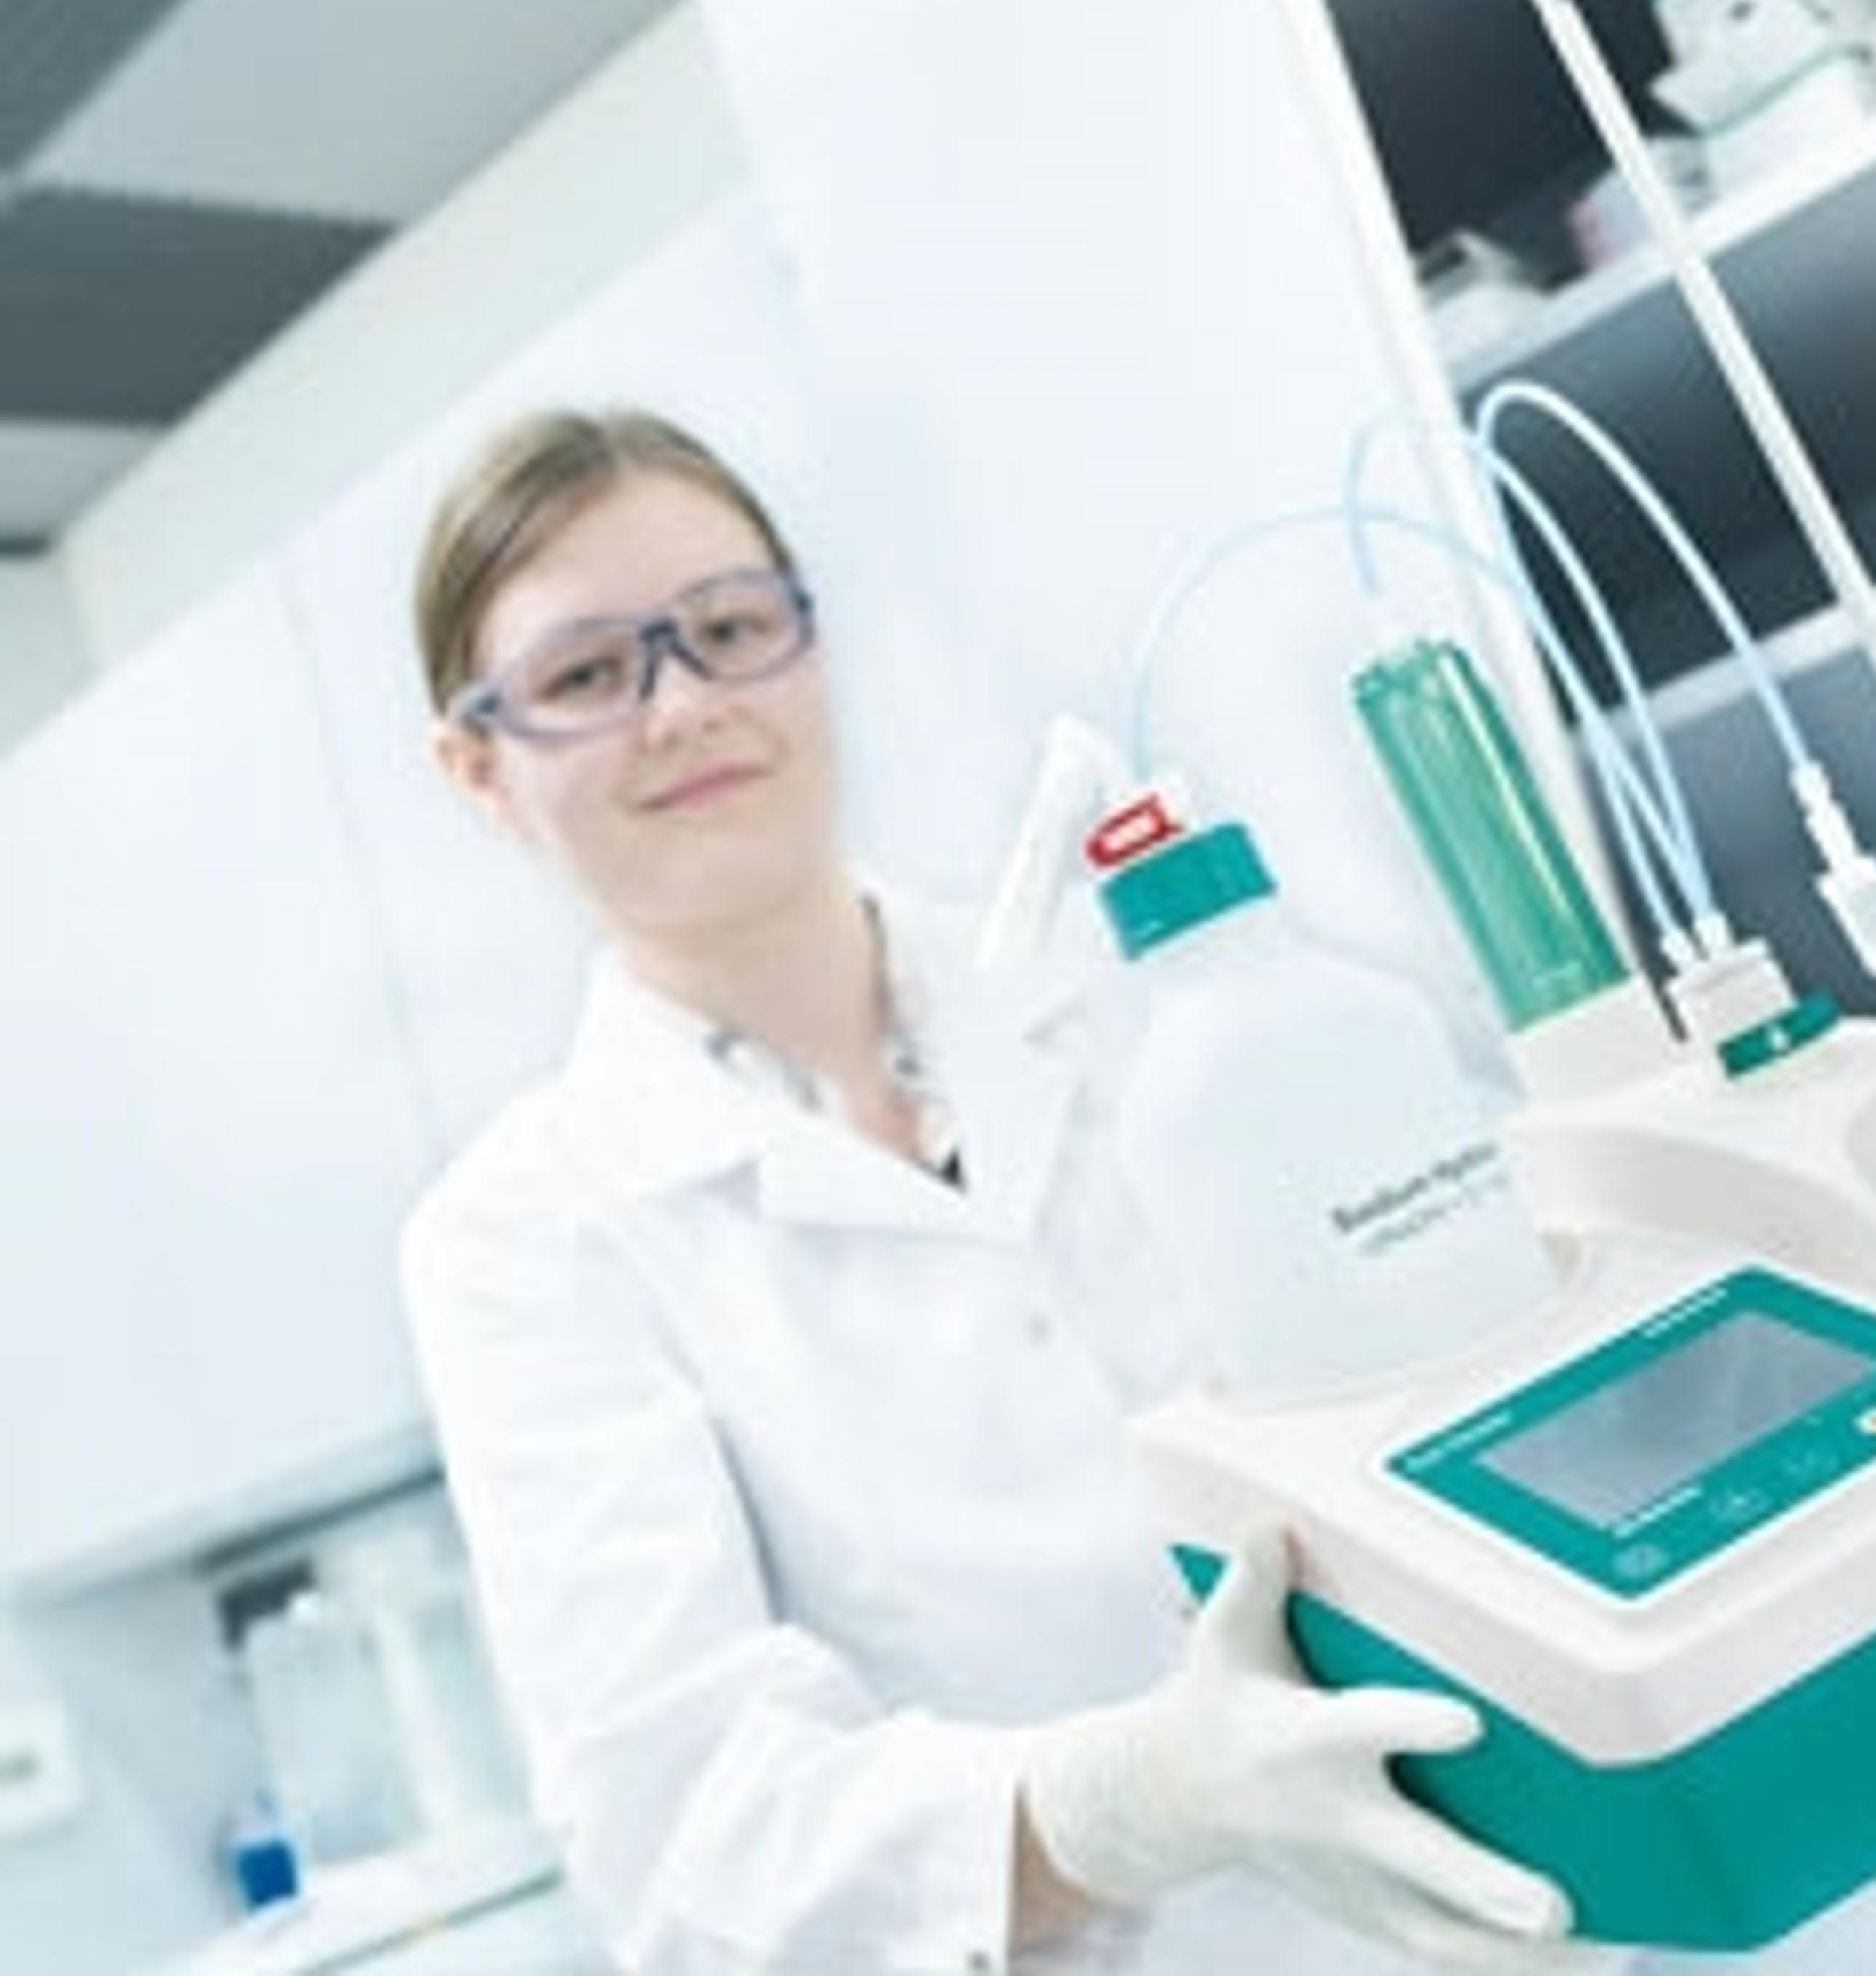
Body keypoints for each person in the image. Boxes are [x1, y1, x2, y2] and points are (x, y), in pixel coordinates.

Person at [399, 406, 1591, 1973]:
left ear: (807, 642)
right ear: (478, 768)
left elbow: (1498, 1301)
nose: (683, 705)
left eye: (730, 629)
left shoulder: (1142, 989)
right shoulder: (530, 1238)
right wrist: (1135, 1805)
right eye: (585, 675)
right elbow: (692, 1840)